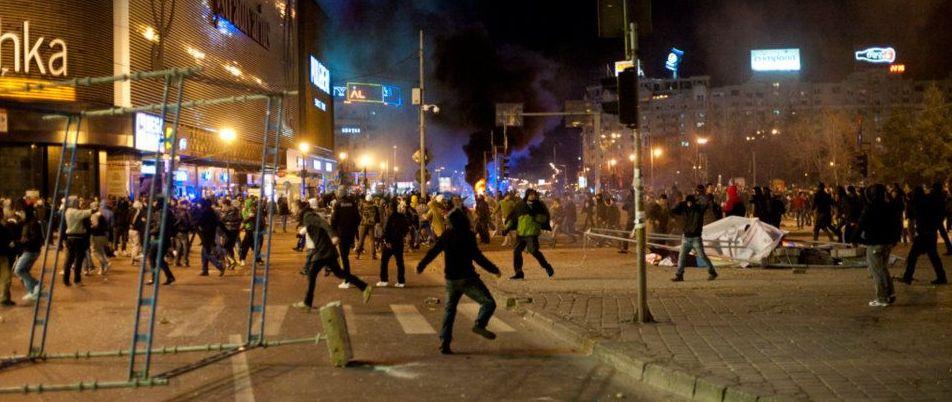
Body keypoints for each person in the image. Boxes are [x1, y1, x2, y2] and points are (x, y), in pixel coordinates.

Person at [416, 207, 502, 355]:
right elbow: (478, 257)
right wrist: (494, 269)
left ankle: (444, 342)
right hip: (468, 278)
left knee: (449, 311)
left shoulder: (447, 235)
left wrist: (421, 265)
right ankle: (480, 324)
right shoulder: (468, 235)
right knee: (488, 303)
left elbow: (433, 251)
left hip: (451, 280)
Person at [292, 198, 373, 311]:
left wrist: (333, 236)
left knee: (312, 272)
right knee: (339, 273)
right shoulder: (307, 216)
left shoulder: (308, 216)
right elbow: (314, 225)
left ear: (297, 208)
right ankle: (364, 287)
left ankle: (307, 303)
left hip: (323, 249)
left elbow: (323, 223)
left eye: (293, 208)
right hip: (326, 248)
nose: (292, 210)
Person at [858, 184, 900, 307]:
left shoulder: (870, 208)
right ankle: (890, 294)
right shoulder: (889, 206)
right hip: (887, 243)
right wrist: (895, 239)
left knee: (877, 271)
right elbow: (896, 224)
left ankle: (882, 298)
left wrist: (855, 238)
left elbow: (861, 224)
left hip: (875, 243)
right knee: (883, 269)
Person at [899, 186, 947, 285]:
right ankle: (941, 276)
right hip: (930, 233)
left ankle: (908, 277)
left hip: (924, 234)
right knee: (933, 257)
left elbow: (916, 214)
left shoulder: (920, 204)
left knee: (913, 256)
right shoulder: (928, 201)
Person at [506, 189, 554, 280]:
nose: (533, 196)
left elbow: (544, 218)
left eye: (534, 194)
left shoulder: (539, 205)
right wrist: (507, 228)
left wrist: (535, 215)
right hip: (521, 233)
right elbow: (513, 218)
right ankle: (519, 273)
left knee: (533, 251)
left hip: (532, 232)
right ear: (527, 195)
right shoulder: (520, 205)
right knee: (517, 251)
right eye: (531, 194)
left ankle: (546, 266)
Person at [670, 193, 718, 282]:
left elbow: (706, 205)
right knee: (681, 256)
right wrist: (679, 204)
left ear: (693, 202)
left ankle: (712, 272)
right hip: (686, 238)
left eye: (690, 202)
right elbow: (673, 211)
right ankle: (679, 275)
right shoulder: (683, 207)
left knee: (702, 256)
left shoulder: (699, 208)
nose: (689, 204)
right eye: (688, 202)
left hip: (696, 238)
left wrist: (707, 200)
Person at [331, 188, 361, 289]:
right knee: (345, 256)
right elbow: (358, 218)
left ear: (339, 193)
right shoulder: (352, 203)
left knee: (344, 257)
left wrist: (334, 231)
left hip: (342, 233)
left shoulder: (338, 204)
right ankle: (347, 279)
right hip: (350, 233)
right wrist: (353, 228)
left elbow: (333, 220)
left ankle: (347, 280)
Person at [378, 198, 410, 287]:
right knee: (400, 262)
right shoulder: (402, 217)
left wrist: (387, 241)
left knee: (384, 261)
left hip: (390, 243)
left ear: (390, 208)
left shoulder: (391, 218)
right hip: (399, 242)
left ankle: (384, 280)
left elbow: (388, 230)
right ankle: (401, 281)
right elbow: (406, 229)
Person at [62, 197, 93, 287]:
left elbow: (63, 226)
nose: (78, 203)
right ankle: (77, 280)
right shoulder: (75, 212)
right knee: (78, 260)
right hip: (78, 238)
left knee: (69, 259)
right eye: (77, 202)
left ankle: (66, 280)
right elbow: (87, 213)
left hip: (69, 238)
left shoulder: (67, 212)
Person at [14, 204, 42, 301]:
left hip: (30, 251)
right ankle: (33, 291)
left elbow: (35, 238)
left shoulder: (32, 223)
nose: (20, 214)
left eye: (22, 212)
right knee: (23, 271)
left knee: (18, 270)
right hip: (30, 250)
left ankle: (36, 285)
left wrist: (24, 241)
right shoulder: (28, 222)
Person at [145, 198, 176, 286]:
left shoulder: (161, 212)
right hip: (166, 238)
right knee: (159, 259)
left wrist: (149, 231)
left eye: (155, 201)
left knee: (151, 257)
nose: (153, 203)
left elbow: (159, 227)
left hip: (159, 238)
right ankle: (169, 277)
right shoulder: (168, 211)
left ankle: (154, 278)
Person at [195, 198, 226, 276]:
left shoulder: (206, 212)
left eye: (199, 204)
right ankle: (205, 270)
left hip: (207, 235)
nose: (198, 205)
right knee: (203, 253)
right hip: (209, 235)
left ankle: (220, 266)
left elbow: (200, 222)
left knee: (207, 253)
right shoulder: (210, 211)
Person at [356, 194, 380, 260]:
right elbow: (377, 217)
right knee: (372, 240)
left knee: (361, 240)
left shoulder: (362, 206)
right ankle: (373, 255)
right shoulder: (375, 207)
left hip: (363, 224)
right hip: (371, 225)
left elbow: (358, 213)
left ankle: (358, 254)